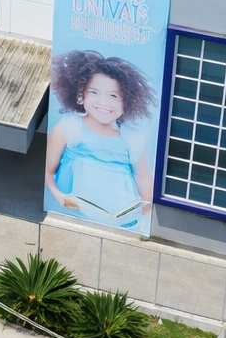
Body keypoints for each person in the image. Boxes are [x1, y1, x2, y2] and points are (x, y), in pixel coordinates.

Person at [44, 50, 156, 230]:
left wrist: (145, 212)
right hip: (75, 215)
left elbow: (143, 176)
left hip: (123, 223)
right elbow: (49, 172)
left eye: (113, 95)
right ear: (82, 95)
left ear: (126, 102)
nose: (103, 102)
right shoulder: (69, 128)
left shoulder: (131, 137)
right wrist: (58, 196)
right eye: (94, 92)